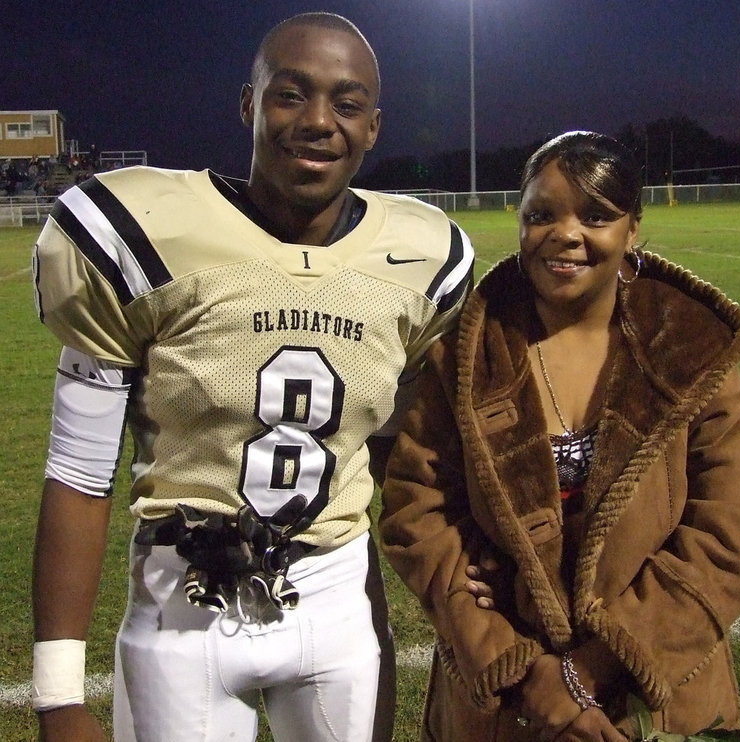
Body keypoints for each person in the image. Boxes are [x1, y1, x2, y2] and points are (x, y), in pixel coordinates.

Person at [30, 12, 473, 742]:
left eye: (347, 103)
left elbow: (399, 454)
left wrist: (465, 578)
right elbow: (78, 474)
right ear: (249, 104)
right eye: (290, 95)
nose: (319, 121)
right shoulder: (140, 234)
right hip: (184, 602)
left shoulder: (425, 257)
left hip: (340, 600)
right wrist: (58, 696)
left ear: (373, 127)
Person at [379, 131, 740, 740]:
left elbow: (730, 524)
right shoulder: (464, 358)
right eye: (541, 214)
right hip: (503, 703)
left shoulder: (690, 350)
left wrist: (590, 671)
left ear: (633, 229)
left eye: (595, 215)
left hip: (651, 699)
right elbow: (418, 508)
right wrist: (513, 662)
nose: (566, 234)